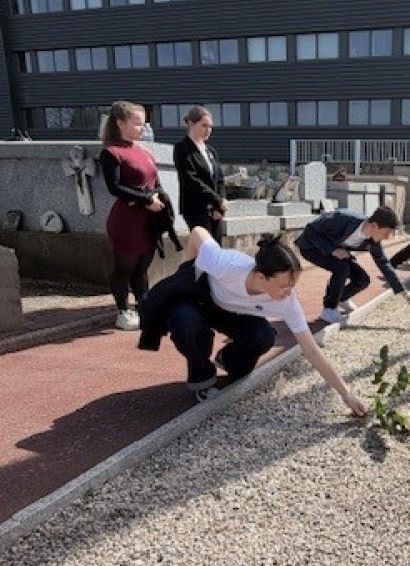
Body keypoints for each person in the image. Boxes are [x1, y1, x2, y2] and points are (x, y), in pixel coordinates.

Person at [140, 226, 367, 415]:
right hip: (202, 301)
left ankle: (227, 358)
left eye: (292, 285)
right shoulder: (225, 263)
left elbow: (310, 348)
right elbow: (198, 232)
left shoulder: (287, 300)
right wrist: (186, 270)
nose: (288, 292)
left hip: (234, 312)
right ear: (260, 277)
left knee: (263, 337)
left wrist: (345, 394)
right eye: (282, 286)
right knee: (186, 323)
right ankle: (203, 379)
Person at [99, 100, 171, 331]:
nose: (143, 127)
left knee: (142, 268)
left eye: (144, 123)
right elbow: (115, 187)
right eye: (137, 123)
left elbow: (155, 182)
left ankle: (145, 307)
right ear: (120, 123)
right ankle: (123, 310)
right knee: (125, 267)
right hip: (126, 221)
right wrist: (146, 199)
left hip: (147, 221)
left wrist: (159, 197)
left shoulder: (142, 151)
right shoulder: (111, 152)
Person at [295, 206, 410, 324]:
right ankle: (329, 309)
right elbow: (310, 229)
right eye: (386, 232)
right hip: (311, 248)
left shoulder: (373, 242)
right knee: (342, 268)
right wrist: (333, 250)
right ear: (374, 225)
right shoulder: (343, 218)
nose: (387, 237)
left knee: (362, 279)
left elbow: (385, 266)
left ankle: (342, 298)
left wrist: (408, 298)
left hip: (336, 251)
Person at [173, 105, 228, 243]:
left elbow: (220, 179)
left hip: (215, 209)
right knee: (205, 250)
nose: (208, 130)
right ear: (191, 123)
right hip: (195, 209)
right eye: (204, 125)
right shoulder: (182, 148)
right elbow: (190, 179)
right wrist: (217, 199)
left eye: (210, 126)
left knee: (217, 251)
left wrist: (219, 206)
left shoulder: (211, 151)